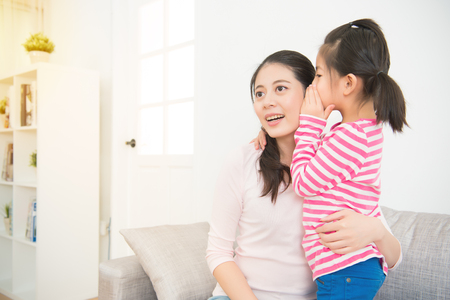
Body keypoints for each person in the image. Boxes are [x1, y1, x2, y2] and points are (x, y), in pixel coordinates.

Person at [206, 49, 401, 300]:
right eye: (259, 93)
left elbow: (394, 258)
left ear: (312, 93)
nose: (267, 101)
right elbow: (217, 252)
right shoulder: (243, 160)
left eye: (280, 88)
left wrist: (377, 231)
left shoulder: (337, 156)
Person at [290, 19, 407, 299]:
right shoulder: (360, 131)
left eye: (318, 75)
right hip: (350, 270)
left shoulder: (351, 138)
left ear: (348, 83)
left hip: (346, 271)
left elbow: (303, 183)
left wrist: (308, 124)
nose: (313, 84)